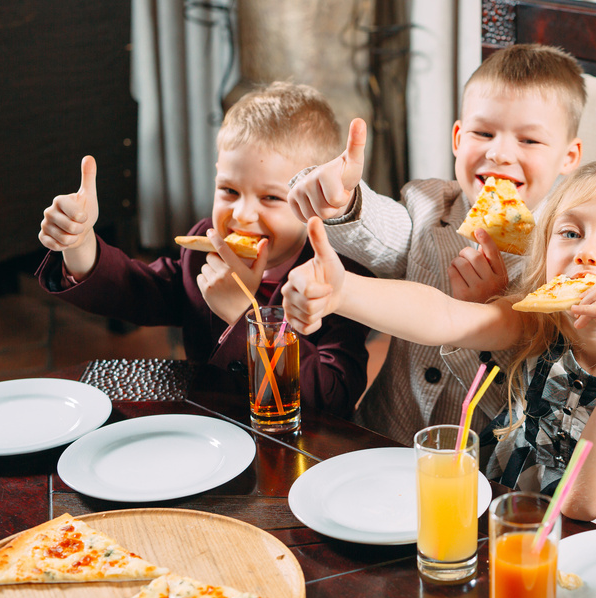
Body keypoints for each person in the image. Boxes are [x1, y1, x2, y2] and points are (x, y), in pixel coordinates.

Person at [283, 160, 596, 527]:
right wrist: (344, 292)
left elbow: (585, 500)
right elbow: (444, 317)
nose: (586, 253)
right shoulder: (538, 325)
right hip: (505, 522)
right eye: (570, 232)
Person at [286, 44, 585, 444]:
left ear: (569, 157)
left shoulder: (563, 257)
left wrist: (487, 311)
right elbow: (383, 234)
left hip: (478, 467)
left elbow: (533, 398)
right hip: (381, 433)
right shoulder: (429, 203)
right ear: (458, 138)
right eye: (483, 133)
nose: (499, 152)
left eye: (529, 141)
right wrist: (341, 199)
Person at [36, 82, 372, 417]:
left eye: (271, 197)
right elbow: (137, 291)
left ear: (314, 201)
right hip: (208, 429)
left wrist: (246, 317)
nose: (241, 214)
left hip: (296, 448)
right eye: (228, 190)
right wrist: (79, 244)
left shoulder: (338, 277)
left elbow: (335, 395)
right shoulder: (202, 250)